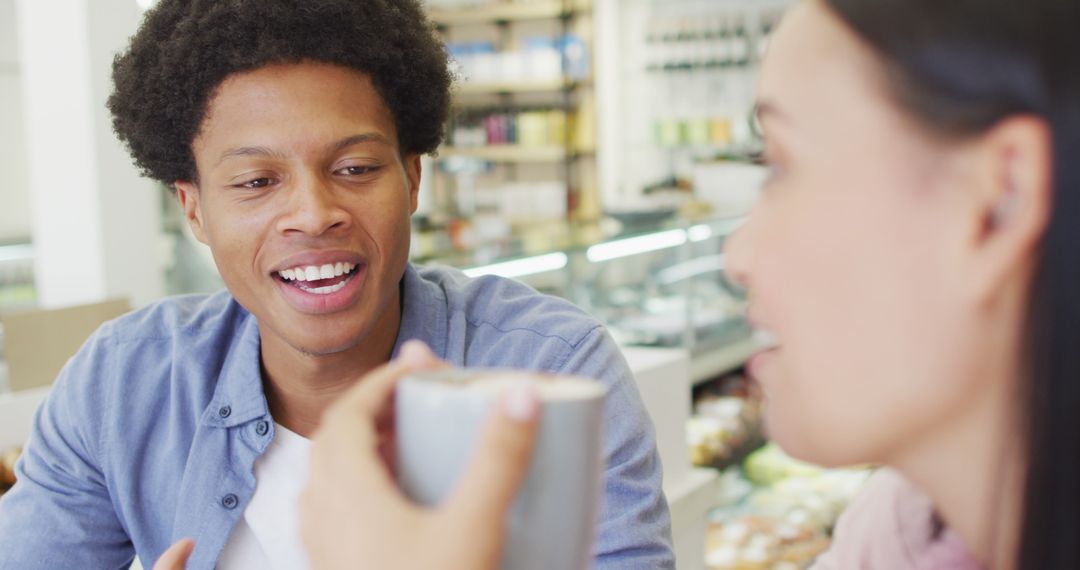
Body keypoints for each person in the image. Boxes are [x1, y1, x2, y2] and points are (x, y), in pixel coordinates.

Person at [255, 0, 1080, 568]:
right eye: (254, 182)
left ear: (997, 201)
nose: (736, 255)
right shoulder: (896, 531)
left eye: (780, 164)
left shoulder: (556, 354)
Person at [0, 1, 674, 568]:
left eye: (354, 168)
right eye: (257, 182)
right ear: (195, 209)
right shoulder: (122, 382)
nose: (314, 213)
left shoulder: (548, 374)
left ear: (413, 178)